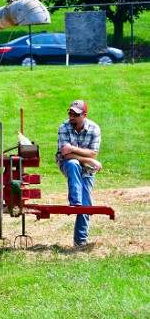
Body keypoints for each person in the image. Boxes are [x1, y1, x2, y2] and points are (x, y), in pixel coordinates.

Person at [55, 100, 102, 247]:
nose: (71, 117)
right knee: (74, 164)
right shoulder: (64, 127)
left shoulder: (94, 129)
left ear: (84, 115)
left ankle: (80, 241)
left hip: (88, 168)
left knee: (86, 203)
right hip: (67, 164)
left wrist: (73, 149)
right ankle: (75, 201)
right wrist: (87, 158)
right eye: (70, 113)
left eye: (75, 114)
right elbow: (66, 155)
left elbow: (93, 154)